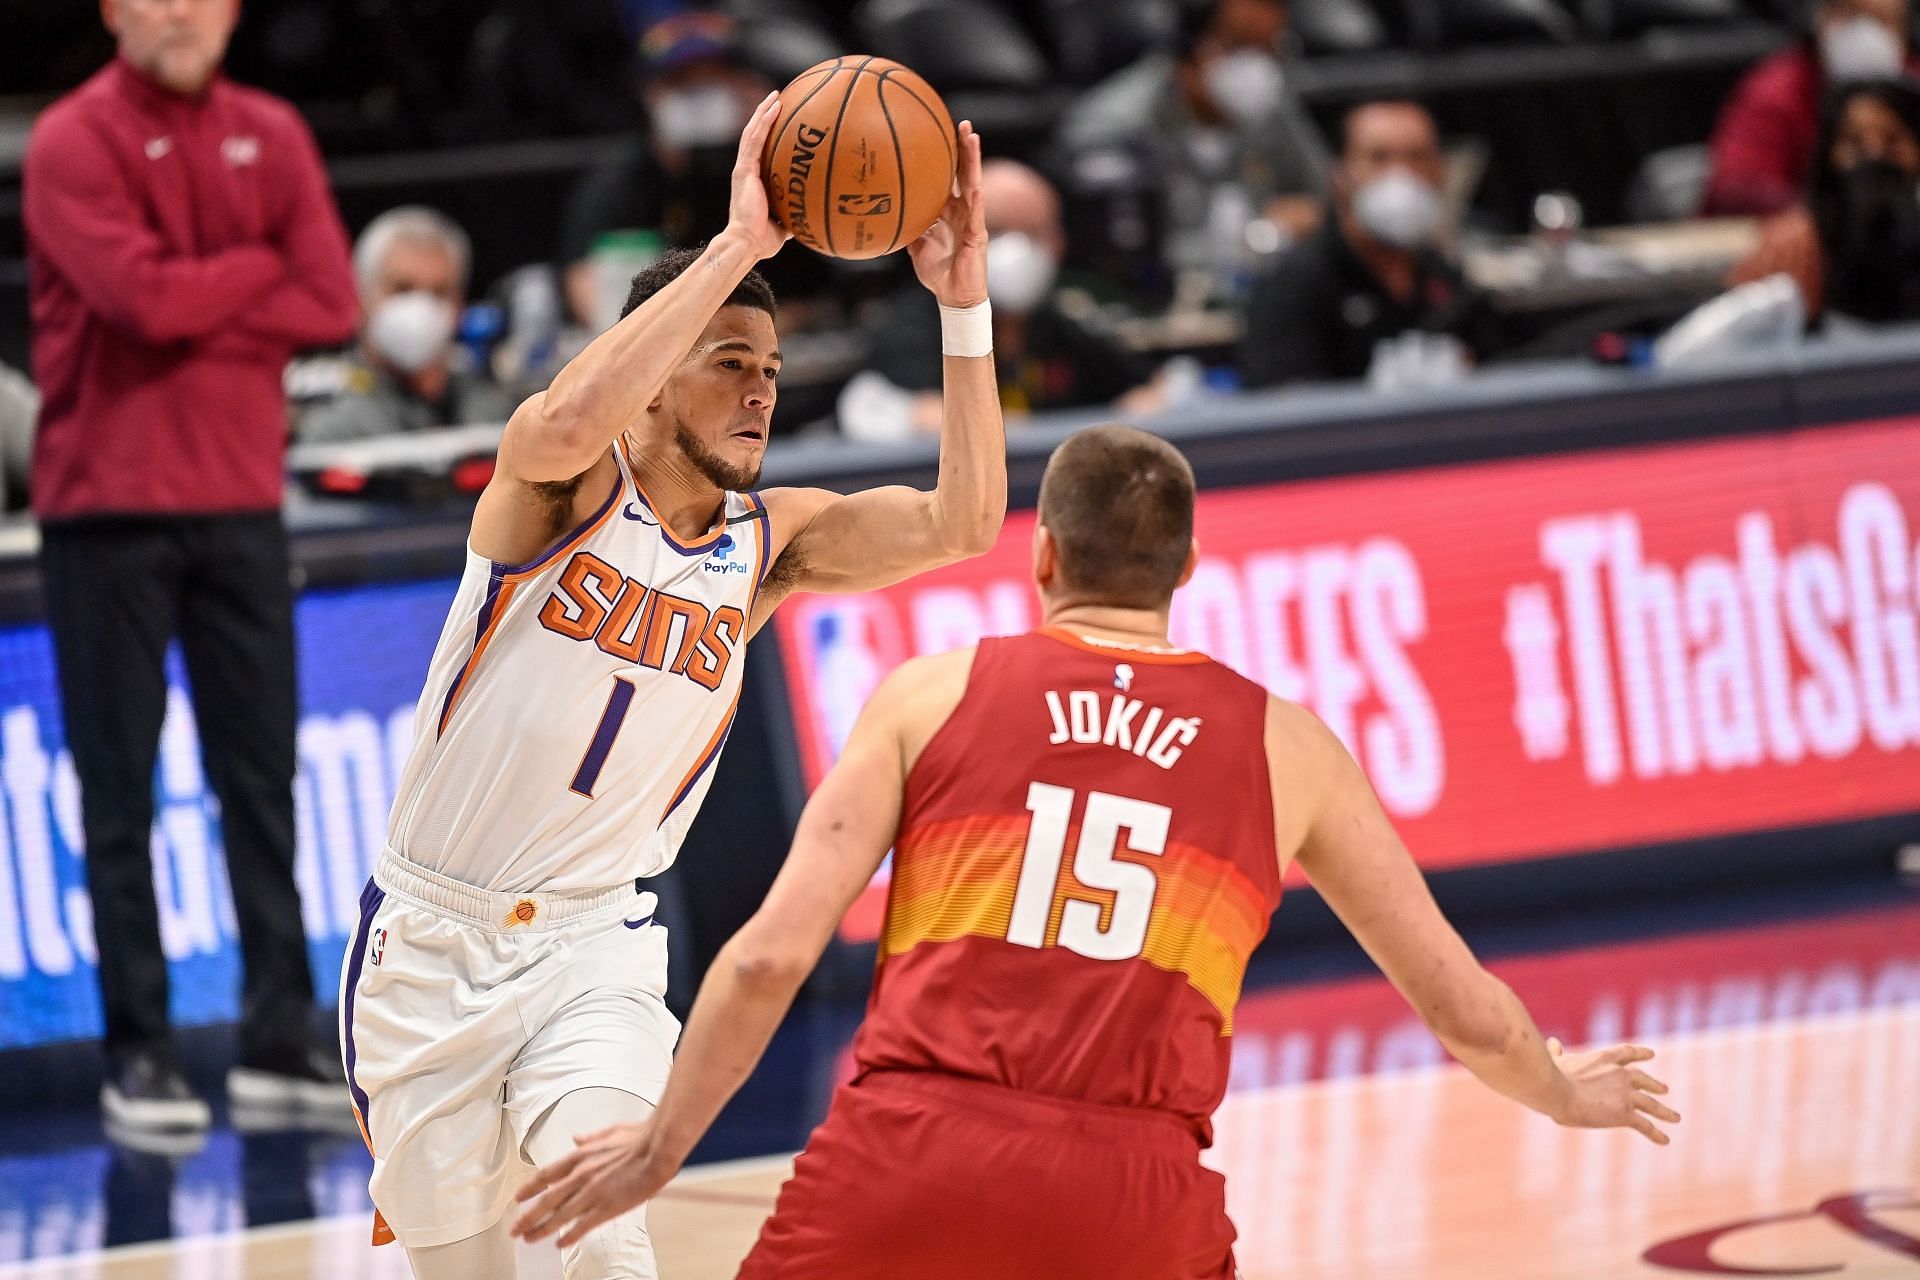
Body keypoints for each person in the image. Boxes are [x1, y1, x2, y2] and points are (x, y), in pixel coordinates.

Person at [508, 425, 1679, 1277]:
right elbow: (1465, 1008)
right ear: (1185, 570)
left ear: (1044, 559)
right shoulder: (1291, 747)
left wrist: (663, 1146)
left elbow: (769, 959)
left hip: (911, 1152)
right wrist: (1562, 1088)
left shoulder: (932, 691)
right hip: (1135, 1194)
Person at [339, 99, 1004, 1280]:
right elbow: (562, 415)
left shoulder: (768, 545)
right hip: (429, 946)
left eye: (772, 370)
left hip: (598, 944)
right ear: (653, 381)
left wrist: (962, 307)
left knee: (607, 1232)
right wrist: (738, 247)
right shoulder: (560, 495)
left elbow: (966, 521)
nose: (760, 392)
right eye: (728, 364)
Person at [22, 0, 358, 1133]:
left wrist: (205, 288)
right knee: (119, 796)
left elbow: (333, 297)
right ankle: (141, 1051)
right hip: (106, 516)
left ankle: (278, 1038)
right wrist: (252, 275)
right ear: (113, 10)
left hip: (242, 510)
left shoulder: (274, 127)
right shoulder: (73, 138)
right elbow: (140, 301)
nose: (178, 10)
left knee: (260, 785)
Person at [840, 160, 1166, 441]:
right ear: (952, 236)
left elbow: (1148, 390)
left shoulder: (1063, 322)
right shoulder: (911, 330)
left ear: (1059, 243)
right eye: (994, 231)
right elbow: (922, 418)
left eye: (1034, 233)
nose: (1016, 252)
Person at [1053, 0, 1331, 305]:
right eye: (1240, 46)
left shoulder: (1271, 108)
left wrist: (1302, 218)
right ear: (1189, 48)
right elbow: (1115, 249)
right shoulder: (1115, 124)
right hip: (1150, 305)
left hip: (1258, 298)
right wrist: (1254, 239)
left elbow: (1327, 196)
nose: (1258, 66)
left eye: (1269, 49)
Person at [1239, 100, 1500, 389]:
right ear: (1340, 176)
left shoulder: (1448, 283)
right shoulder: (1294, 288)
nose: (1401, 176)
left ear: (1440, 172)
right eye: (1379, 158)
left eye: (1417, 157)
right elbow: (1280, 412)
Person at [557, 11, 775, 334]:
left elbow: (804, 295)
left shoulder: (759, 177)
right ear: (650, 93)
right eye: (682, 82)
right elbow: (587, 291)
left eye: (713, 80)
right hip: (652, 350)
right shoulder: (616, 187)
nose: (700, 95)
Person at [297, 206, 513, 444]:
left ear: (459, 308)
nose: (420, 308)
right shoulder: (324, 411)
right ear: (359, 297)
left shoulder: (493, 414)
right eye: (402, 289)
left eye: (439, 293)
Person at [1726, 75, 1920, 324]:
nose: (1874, 155)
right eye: (1853, 143)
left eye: (1892, 140)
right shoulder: (1794, 243)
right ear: (1828, 154)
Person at [1701, 0, 1920, 215]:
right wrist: (1822, 214)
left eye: (1881, 20)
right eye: (1851, 16)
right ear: (1819, 18)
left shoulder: (1915, 83)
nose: (1866, 34)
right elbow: (1733, 188)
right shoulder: (1777, 88)